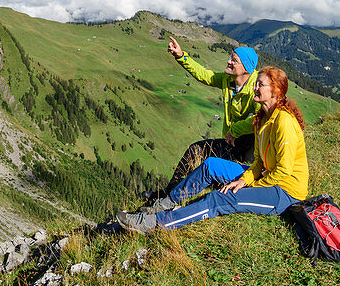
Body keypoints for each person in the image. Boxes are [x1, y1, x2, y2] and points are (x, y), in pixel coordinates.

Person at [117, 65, 308, 233]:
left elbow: (284, 171)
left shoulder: (283, 122)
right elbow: (259, 162)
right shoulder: (262, 119)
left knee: (219, 199)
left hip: (285, 192)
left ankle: (155, 223)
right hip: (267, 175)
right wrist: (245, 180)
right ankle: (165, 203)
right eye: (255, 83)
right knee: (211, 165)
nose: (255, 88)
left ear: (276, 90)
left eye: (260, 85)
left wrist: (249, 185)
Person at [159, 37, 261, 195]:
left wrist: (235, 130)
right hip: (231, 140)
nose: (228, 61)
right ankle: (169, 191)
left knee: (214, 168)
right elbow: (205, 75)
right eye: (230, 57)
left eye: (234, 60)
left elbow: (260, 117)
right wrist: (181, 56)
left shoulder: (257, 87)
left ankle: (181, 196)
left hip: (250, 145)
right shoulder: (228, 80)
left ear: (246, 68)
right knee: (196, 150)